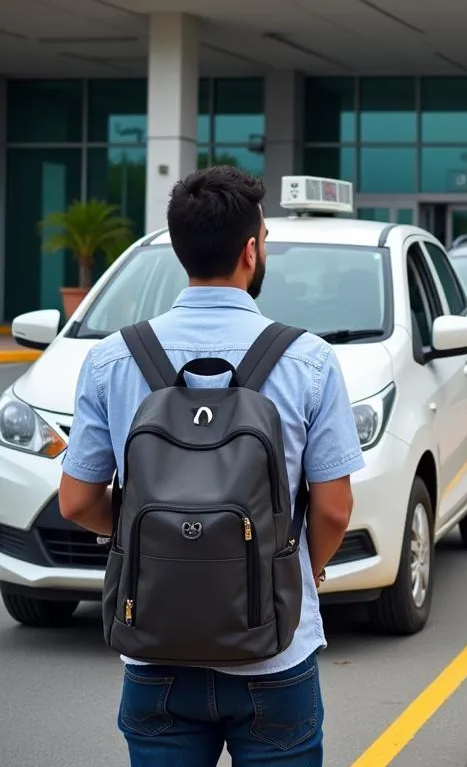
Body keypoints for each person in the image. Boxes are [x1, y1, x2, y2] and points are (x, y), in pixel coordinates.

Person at [58, 165, 364, 766]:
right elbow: (333, 507)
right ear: (251, 251)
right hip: (273, 651)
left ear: (179, 249)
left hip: (154, 653)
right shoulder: (309, 359)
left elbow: (76, 502)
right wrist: (303, 565)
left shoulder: (112, 359)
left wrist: (155, 540)